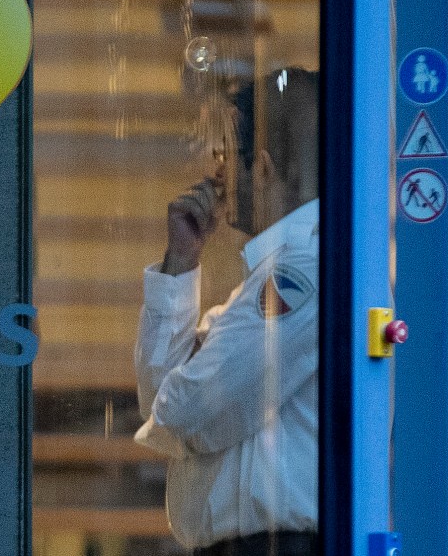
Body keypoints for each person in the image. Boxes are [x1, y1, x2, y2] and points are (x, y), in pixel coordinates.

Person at [134, 68, 320, 556]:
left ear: (260, 170)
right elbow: (161, 398)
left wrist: (188, 383)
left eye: (225, 159)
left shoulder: (308, 271)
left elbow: (188, 413)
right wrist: (180, 262)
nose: (217, 176)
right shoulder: (266, 279)